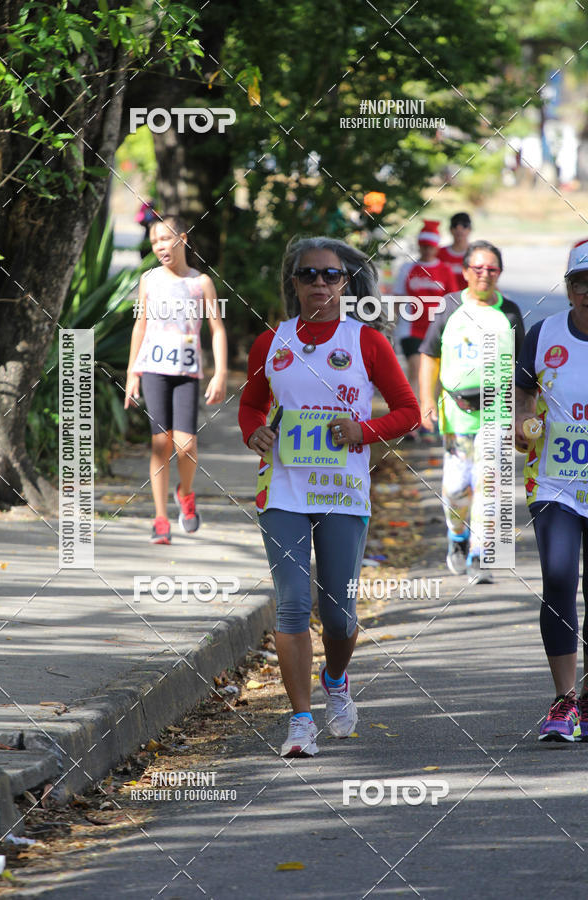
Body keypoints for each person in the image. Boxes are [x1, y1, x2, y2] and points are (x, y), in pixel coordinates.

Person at [239, 236, 420, 757]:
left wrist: (363, 431)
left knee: (339, 613)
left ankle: (335, 679)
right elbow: (250, 407)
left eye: (330, 275)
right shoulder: (271, 341)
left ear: (346, 283)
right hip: (284, 490)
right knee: (293, 604)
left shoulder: (366, 342)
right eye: (308, 274)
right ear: (292, 282)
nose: (319, 282)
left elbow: (408, 411)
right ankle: (299, 722)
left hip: (343, 492)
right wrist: (255, 432)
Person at [515, 238, 588, 742]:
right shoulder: (543, 334)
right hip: (556, 484)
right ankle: (564, 701)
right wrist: (521, 422)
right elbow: (518, 396)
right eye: (581, 283)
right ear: (568, 288)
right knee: (559, 580)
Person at [419, 240, 524, 583]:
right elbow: (428, 356)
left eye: (491, 269)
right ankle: (458, 535)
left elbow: (525, 369)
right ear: (465, 272)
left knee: (489, 485)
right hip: (457, 413)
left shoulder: (509, 313)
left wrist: (526, 413)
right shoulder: (449, 307)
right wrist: (426, 401)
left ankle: (481, 554)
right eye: (477, 268)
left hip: (498, 411)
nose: (484, 274)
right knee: (455, 488)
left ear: (500, 273)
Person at [124, 215, 227, 543]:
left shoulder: (201, 283)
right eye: (154, 243)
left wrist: (221, 373)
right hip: (154, 369)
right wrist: (132, 372)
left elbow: (217, 329)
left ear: (181, 239)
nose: (160, 247)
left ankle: (185, 492)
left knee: (186, 444)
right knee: (159, 443)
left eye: (165, 240)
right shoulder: (149, 280)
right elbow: (139, 326)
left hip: (186, 372)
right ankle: (160, 518)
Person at [396, 220, 458, 402]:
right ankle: (414, 416)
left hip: (436, 328)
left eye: (431, 247)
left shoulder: (444, 270)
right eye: (424, 246)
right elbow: (398, 298)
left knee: (435, 372)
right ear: (419, 246)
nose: (427, 250)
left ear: (437, 247)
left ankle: (431, 413)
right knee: (415, 369)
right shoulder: (408, 268)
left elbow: (453, 300)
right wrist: (392, 322)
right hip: (411, 328)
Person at [438, 211, 472, 291]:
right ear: (450, 229)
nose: (459, 229)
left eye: (464, 226)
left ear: (469, 229)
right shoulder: (439, 253)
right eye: (455, 225)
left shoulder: (477, 254)